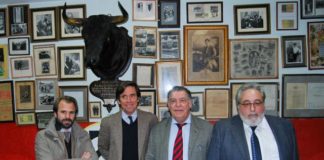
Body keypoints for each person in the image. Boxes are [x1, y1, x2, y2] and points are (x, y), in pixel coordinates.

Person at [207, 83, 298, 160]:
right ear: (238, 107)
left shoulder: (285, 127)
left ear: (264, 105)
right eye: (246, 104)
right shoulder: (223, 129)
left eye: (257, 103)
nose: (252, 109)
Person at [146, 86, 213, 160]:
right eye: (173, 101)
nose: (178, 105)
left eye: (182, 100)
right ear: (168, 105)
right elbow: (150, 157)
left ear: (190, 104)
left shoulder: (207, 129)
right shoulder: (157, 130)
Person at [98, 81, 158, 160]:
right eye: (124, 96)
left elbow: (156, 146)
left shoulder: (151, 119)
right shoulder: (107, 122)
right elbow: (102, 147)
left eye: (132, 96)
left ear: (138, 98)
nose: (129, 100)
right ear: (119, 101)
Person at [35, 96, 98, 160]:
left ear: (75, 114)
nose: (67, 116)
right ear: (55, 114)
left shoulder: (83, 134)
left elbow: (94, 158)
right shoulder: (43, 136)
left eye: (71, 112)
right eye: (63, 112)